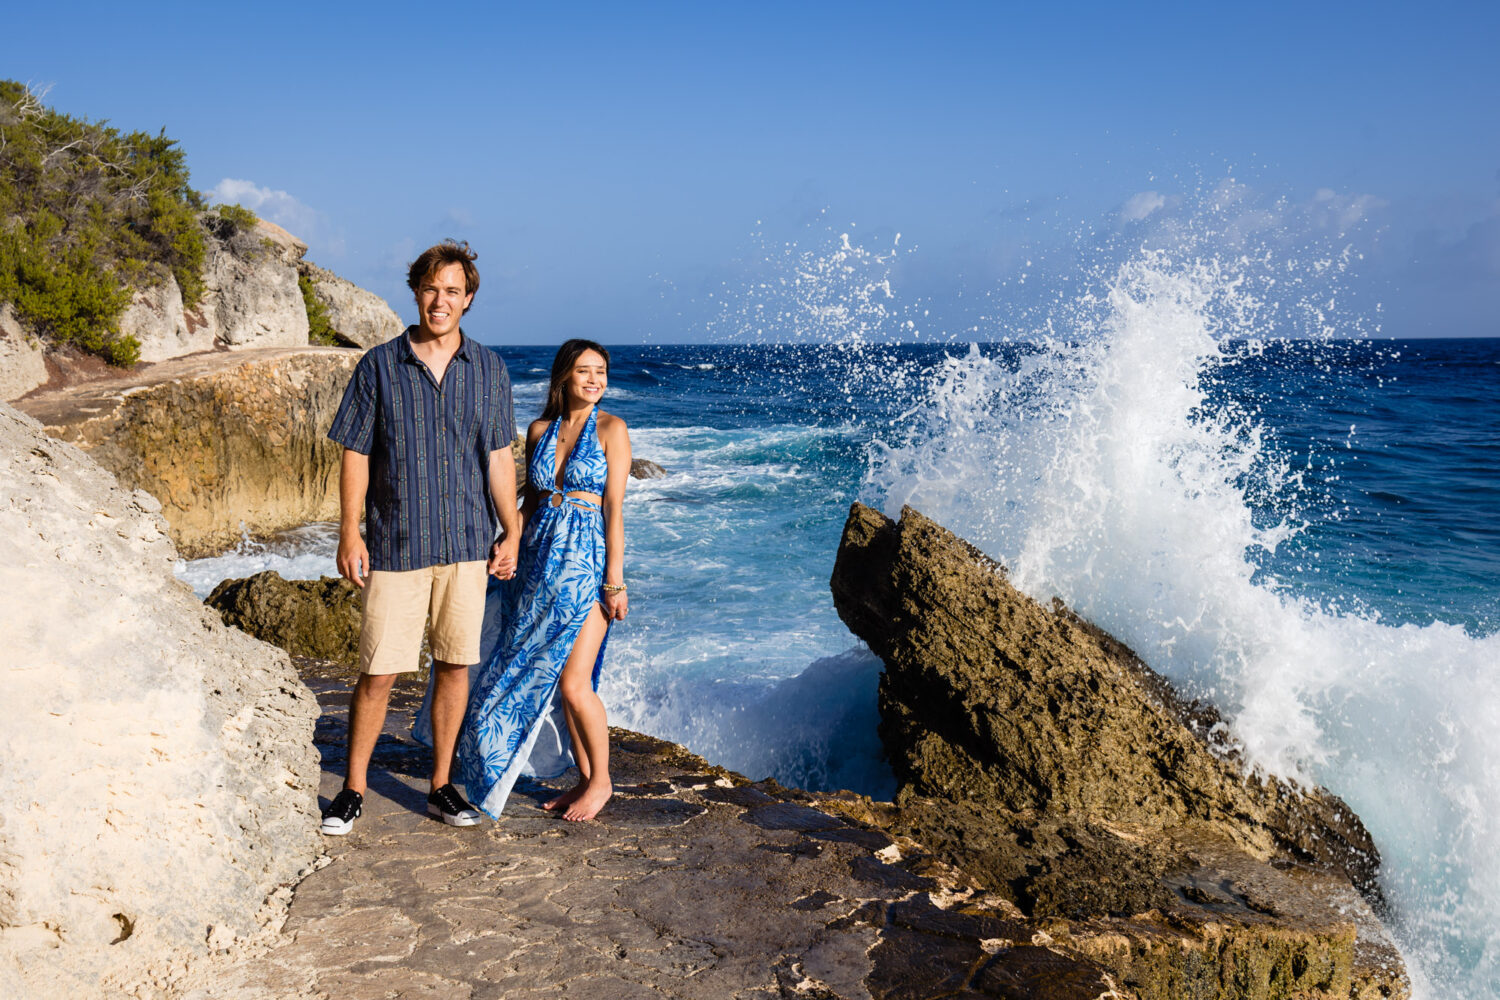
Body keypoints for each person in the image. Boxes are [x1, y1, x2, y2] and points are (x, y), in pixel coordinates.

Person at [319, 240, 520, 836]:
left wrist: (510, 529)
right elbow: (356, 451)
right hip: (396, 541)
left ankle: (440, 788)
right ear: (416, 292)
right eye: (431, 289)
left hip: (465, 542)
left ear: (469, 299)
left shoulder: (488, 368)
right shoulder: (379, 365)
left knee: (455, 666)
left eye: (452, 291)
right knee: (379, 671)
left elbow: (499, 457)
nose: (441, 301)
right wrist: (349, 532)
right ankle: (352, 789)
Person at [456, 338, 630, 822]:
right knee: (533, 677)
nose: (594, 379)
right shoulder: (538, 431)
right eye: (584, 371)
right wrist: (506, 541)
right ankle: (581, 779)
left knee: (575, 682)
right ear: (563, 377)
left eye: (601, 371)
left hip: (586, 566)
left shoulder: (613, 429)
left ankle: (602, 783)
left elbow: (614, 510)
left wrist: (614, 580)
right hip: (537, 567)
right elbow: (531, 502)